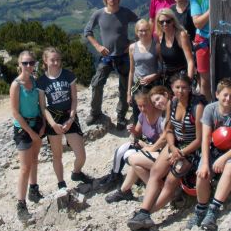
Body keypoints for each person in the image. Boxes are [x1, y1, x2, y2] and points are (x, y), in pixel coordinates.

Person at [127, 74, 205, 231]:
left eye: (184, 87)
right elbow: (168, 129)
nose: (180, 91)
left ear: (190, 88)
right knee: (156, 171)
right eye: (177, 87)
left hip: (191, 149)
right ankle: (144, 212)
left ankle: (147, 212)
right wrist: (173, 147)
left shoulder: (198, 107)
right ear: (172, 89)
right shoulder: (173, 103)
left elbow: (199, 139)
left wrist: (180, 152)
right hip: (174, 144)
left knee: (170, 180)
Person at [187, 78, 231, 231]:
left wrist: (223, 158)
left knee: (230, 168)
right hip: (213, 150)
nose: (228, 99)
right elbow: (206, 138)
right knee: (202, 173)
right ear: (217, 94)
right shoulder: (210, 109)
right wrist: (206, 162)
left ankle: (214, 209)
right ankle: (201, 208)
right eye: (225, 95)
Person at [84, 0, 139, 130]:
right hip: (107, 56)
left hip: (124, 55)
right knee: (97, 83)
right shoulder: (98, 14)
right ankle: (95, 112)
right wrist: (97, 46)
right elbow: (87, 31)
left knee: (124, 87)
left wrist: (134, 42)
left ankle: (121, 116)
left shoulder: (125, 13)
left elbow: (141, 24)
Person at [37, 47, 92, 190]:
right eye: (52, 60)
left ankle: (77, 172)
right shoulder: (41, 81)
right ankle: (61, 183)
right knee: (57, 155)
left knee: (81, 155)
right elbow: (43, 106)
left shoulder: (68, 75)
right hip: (53, 117)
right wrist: (53, 124)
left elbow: (74, 99)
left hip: (69, 115)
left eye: (58, 60)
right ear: (45, 61)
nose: (55, 63)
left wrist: (71, 118)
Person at [103, 87, 169, 200]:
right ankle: (118, 180)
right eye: (139, 106)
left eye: (145, 105)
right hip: (148, 147)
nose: (142, 108)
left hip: (157, 150)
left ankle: (154, 191)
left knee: (131, 157)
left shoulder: (161, 117)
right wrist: (133, 131)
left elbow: (164, 140)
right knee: (123, 149)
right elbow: (138, 133)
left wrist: (147, 146)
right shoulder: (142, 116)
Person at [9, 50, 45, 220]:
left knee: (34, 160)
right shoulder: (16, 85)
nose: (29, 66)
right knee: (25, 167)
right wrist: (31, 133)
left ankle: (34, 190)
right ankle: (21, 204)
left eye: (31, 62)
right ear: (19, 65)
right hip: (23, 129)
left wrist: (43, 124)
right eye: (25, 63)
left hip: (36, 124)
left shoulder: (34, 82)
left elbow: (40, 105)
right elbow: (15, 113)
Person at [126, 19, 162, 124]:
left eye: (146, 30)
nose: (143, 33)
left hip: (153, 85)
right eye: (140, 30)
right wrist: (128, 93)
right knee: (138, 111)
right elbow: (131, 70)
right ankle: (138, 134)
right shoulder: (132, 48)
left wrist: (154, 76)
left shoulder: (156, 45)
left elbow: (162, 67)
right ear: (137, 32)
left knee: (153, 110)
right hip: (137, 86)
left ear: (150, 30)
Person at [189, 0, 212, 101]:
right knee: (205, 79)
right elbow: (197, 23)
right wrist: (214, 7)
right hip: (203, 37)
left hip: (222, 35)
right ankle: (209, 108)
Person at [156, 8, 194, 83]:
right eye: (161, 22)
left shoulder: (181, 36)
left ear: (173, 21)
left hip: (182, 76)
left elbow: (190, 61)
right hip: (168, 78)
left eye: (168, 21)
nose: (164, 24)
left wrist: (188, 82)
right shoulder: (160, 37)